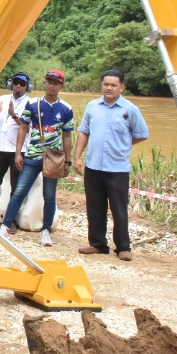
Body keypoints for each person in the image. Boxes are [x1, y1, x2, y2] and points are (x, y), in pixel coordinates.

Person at [74, 69, 149, 261]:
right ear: (102, 85)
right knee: (94, 207)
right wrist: (77, 157)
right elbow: (83, 132)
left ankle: (123, 247)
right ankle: (98, 244)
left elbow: (141, 134)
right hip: (93, 166)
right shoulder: (92, 106)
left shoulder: (130, 109)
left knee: (119, 209)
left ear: (122, 87)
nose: (109, 88)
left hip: (117, 168)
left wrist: (122, 145)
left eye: (113, 85)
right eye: (106, 84)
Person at [0, 69, 74, 247]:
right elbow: (23, 128)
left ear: (61, 86)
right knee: (19, 192)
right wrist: (18, 153)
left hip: (53, 160)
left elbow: (67, 136)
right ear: (44, 83)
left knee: (49, 195)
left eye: (56, 83)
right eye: (49, 81)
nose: (51, 86)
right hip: (32, 155)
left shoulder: (66, 109)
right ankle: (6, 226)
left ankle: (45, 231)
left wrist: (67, 161)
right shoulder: (32, 104)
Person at [0, 72, 31, 218]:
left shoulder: (30, 104)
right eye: (16, 82)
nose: (18, 86)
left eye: (22, 84)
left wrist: (13, 115)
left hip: (19, 151)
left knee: (16, 187)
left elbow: (28, 128)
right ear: (11, 84)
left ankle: (10, 219)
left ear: (27, 87)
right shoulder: (2, 100)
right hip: (0, 149)